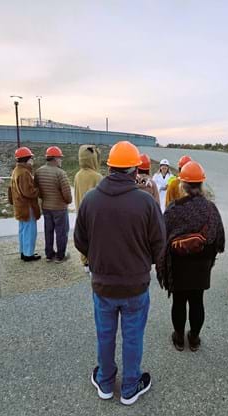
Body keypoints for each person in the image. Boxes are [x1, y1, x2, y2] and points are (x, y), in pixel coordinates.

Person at [74, 141, 165, 406]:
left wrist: (98, 257)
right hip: (135, 285)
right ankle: (129, 387)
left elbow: (80, 240)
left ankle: (104, 382)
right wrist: (143, 260)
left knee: (105, 333)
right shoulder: (145, 202)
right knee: (133, 335)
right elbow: (159, 243)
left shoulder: (91, 199)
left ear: (110, 167)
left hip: (102, 283)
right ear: (135, 169)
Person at [157, 161, 224, 352]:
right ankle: (194, 339)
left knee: (178, 301)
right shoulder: (211, 208)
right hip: (201, 265)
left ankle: (179, 338)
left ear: (182, 184)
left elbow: (162, 237)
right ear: (202, 184)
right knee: (197, 301)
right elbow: (219, 240)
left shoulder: (173, 208)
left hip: (177, 264)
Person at [34, 146, 73, 263]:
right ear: (55, 159)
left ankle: (49, 255)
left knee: (48, 231)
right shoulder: (60, 173)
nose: (61, 160)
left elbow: (37, 190)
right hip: (59, 208)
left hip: (46, 206)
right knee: (61, 232)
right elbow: (67, 194)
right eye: (60, 158)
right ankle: (60, 256)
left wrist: (44, 198)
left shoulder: (38, 171)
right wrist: (68, 201)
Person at [73, 144, 103, 271]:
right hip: (95, 215)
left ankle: (85, 261)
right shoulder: (97, 177)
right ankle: (93, 261)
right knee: (94, 237)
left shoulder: (77, 175)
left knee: (83, 236)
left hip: (80, 211)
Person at [9, 147, 41, 262]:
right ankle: (29, 254)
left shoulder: (16, 171)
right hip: (27, 207)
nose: (32, 160)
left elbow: (10, 190)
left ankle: (24, 252)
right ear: (27, 159)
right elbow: (28, 192)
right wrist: (38, 190)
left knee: (23, 230)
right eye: (31, 158)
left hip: (20, 206)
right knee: (30, 231)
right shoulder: (24, 172)